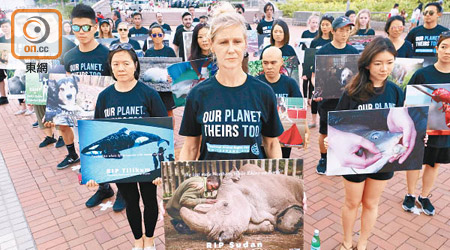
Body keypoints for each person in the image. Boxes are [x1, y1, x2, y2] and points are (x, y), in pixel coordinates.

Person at [331, 37, 415, 250]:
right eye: (378, 63)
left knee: (371, 203)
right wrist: (329, 138)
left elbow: (401, 122)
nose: (384, 68)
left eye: (389, 63)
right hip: (355, 157)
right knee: (352, 202)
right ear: (367, 63)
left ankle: (363, 242)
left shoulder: (396, 91)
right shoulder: (352, 91)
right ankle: (347, 241)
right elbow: (335, 124)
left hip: (385, 156)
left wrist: (417, 134)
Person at [86, 43, 167, 250]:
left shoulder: (149, 94)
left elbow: (163, 128)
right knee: (131, 202)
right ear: (111, 67)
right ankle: (137, 239)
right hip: (123, 166)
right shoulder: (104, 97)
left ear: (135, 65)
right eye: (116, 64)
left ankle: (149, 238)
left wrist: (162, 168)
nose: (121, 68)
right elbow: (98, 130)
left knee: (149, 200)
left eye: (125, 63)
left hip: (146, 162)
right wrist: (95, 172)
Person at [179, 2, 283, 161]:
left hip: (252, 183)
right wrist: (178, 180)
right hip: (212, 183)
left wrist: (279, 181)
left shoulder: (263, 92)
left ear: (246, 45)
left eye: (237, 41)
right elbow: (191, 147)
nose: (231, 49)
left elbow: (271, 144)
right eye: (223, 42)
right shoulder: (197, 94)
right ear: (212, 45)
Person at [61, 4, 125, 212]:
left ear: (95, 27)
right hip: (82, 117)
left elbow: (120, 85)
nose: (81, 32)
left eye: (86, 27)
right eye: (76, 27)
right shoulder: (69, 57)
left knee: (115, 153)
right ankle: (104, 187)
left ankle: (123, 190)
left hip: (108, 115)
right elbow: (65, 88)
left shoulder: (107, 55)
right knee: (91, 153)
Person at [403, 32, 450, 216]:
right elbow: (410, 100)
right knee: (416, 161)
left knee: (434, 163)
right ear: (436, 49)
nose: (447, 51)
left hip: (444, 131)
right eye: (444, 46)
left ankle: (424, 196)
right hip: (421, 128)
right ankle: (410, 193)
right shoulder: (422, 74)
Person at [311, 16, 359, 175]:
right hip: (327, 100)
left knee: (345, 130)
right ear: (333, 31)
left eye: (347, 30)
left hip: (347, 99)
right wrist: (316, 90)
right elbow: (315, 76)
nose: (344, 34)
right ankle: (324, 158)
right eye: (341, 30)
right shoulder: (323, 51)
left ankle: (341, 157)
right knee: (324, 131)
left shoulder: (353, 52)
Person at [257, 47, 306, 158]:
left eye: (273, 62)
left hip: (284, 138)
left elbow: (298, 110)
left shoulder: (290, 84)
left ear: (281, 62)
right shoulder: (256, 83)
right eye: (265, 63)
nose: (269, 67)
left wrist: (302, 133)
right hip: (261, 138)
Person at [144, 25, 177, 119]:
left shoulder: (170, 51)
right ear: (150, 36)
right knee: (154, 112)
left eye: (159, 34)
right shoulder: (148, 52)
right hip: (153, 88)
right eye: (154, 35)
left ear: (163, 35)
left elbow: (174, 68)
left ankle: (171, 133)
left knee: (169, 113)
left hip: (167, 88)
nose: (157, 37)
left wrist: (172, 78)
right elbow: (146, 70)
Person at [307, 15, 334, 128]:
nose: (324, 27)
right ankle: (313, 120)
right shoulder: (315, 41)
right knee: (315, 97)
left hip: (330, 74)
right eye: (322, 24)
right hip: (317, 73)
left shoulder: (334, 41)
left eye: (327, 24)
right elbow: (310, 57)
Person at [0, 18, 10, 105]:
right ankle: (3, 96)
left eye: (6, 26)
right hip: (4, 62)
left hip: (16, 63)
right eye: (2, 27)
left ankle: (25, 105)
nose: (4, 28)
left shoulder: (16, 37)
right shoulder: (1, 39)